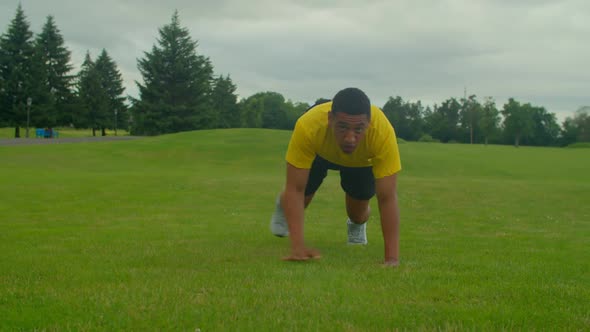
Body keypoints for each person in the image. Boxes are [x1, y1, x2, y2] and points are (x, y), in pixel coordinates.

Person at [270, 87, 402, 266]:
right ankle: (283, 202)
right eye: (343, 127)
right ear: (330, 119)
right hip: (320, 153)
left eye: (358, 129)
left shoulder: (382, 132)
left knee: (358, 213)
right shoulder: (309, 125)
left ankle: (356, 225)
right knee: (300, 198)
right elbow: (296, 188)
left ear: (369, 124)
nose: (350, 138)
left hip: (361, 161)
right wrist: (298, 247)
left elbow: (387, 197)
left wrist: (392, 259)